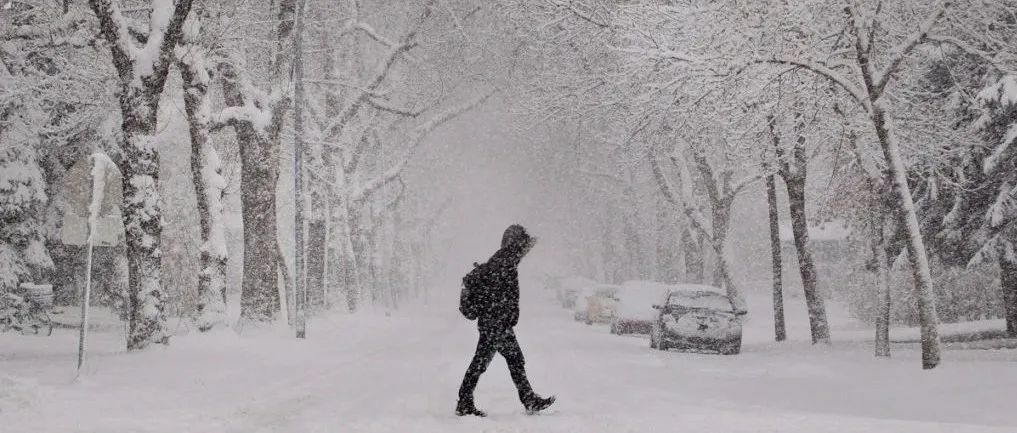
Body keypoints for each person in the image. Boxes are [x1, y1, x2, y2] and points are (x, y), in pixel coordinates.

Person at [455, 224, 555, 417]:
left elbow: (502, 294)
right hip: (496, 324)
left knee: (500, 360)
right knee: (495, 361)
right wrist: (506, 314)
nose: (525, 251)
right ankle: (466, 401)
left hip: (495, 322)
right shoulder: (504, 262)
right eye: (522, 246)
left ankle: (526, 399)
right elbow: (500, 294)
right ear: (515, 244)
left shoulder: (504, 259)